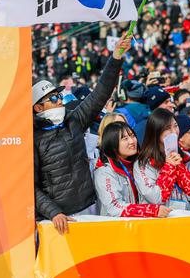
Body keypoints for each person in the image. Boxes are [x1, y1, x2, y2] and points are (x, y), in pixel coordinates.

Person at [33, 34, 132, 234]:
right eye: (53, 98)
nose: (59, 101)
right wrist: (54, 213)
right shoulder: (33, 139)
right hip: (60, 220)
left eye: (59, 95)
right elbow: (31, 187)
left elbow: (100, 94)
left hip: (90, 208)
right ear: (37, 107)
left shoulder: (73, 120)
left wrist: (115, 58)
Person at [94, 121, 171, 218]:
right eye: (124, 138)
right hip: (117, 228)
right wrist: (150, 211)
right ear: (112, 144)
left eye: (132, 136)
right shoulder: (104, 172)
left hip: (142, 225)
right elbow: (115, 207)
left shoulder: (141, 164)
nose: (131, 141)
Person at [135, 109, 190, 211]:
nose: (174, 132)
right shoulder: (144, 163)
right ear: (156, 131)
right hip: (159, 221)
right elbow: (156, 198)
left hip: (185, 218)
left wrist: (179, 167)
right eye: (168, 128)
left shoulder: (186, 158)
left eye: (175, 126)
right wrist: (169, 168)